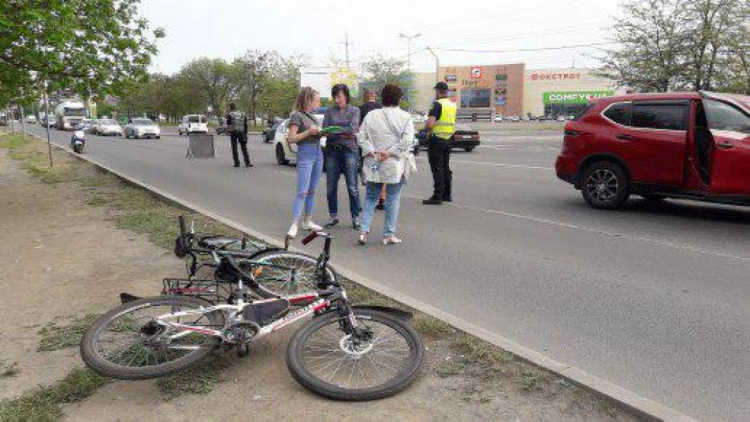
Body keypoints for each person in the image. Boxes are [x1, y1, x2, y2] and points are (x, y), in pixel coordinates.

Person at [357, 84, 415, 245]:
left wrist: (373, 152)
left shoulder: (371, 115)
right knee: (393, 198)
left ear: (382, 97)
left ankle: (363, 231)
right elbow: (407, 140)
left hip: (374, 162)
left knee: (370, 196)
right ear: (399, 98)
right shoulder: (405, 117)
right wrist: (389, 152)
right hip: (393, 163)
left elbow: (361, 137)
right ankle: (388, 234)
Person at [286, 87, 324, 238]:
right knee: (302, 191)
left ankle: (307, 220)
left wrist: (322, 133)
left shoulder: (312, 116)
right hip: (306, 153)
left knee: (312, 190)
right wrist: (309, 132)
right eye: (317, 100)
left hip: (318, 152)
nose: (319, 103)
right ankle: (294, 223)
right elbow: (291, 138)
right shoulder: (296, 115)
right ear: (308, 100)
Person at [322, 84, 362, 230]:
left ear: (346, 96)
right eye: (335, 97)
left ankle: (356, 217)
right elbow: (325, 130)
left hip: (350, 151)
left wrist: (336, 131)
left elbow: (353, 129)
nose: (337, 100)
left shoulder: (355, 110)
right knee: (331, 187)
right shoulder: (329, 111)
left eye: (339, 96)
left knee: (352, 186)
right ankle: (333, 217)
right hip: (332, 151)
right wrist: (343, 132)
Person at [423, 82, 456, 205]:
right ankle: (447, 194)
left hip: (437, 139)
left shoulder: (436, 104)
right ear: (446, 91)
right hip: (448, 139)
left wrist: (425, 127)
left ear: (438, 91)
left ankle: (437, 196)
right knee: (445, 167)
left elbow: (430, 124)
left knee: (437, 168)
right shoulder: (452, 105)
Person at [359, 88, 387, 210]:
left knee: (372, 171)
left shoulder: (361, 109)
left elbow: (359, 129)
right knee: (381, 170)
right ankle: (383, 198)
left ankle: (373, 198)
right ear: (375, 96)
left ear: (365, 96)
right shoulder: (382, 109)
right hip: (382, 146)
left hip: (369, 147)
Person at [226, 102, 252, 168]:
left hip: (234, 132)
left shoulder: (230, 114)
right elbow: (245, 125)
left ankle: (237, 163)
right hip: (242, 132)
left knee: (234, 147)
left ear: (230, 107)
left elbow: (228, 123)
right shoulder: (242, 114)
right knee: (244, 147)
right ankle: (247, 162)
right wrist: (245, 134)